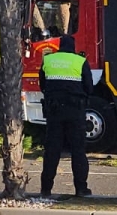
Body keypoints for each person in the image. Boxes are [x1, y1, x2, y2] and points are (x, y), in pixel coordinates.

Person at [39, 34, 93, 199]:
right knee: (78, 150)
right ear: (73, 46)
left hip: (54, 111)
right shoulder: (80, 61)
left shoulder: (48, 60)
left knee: (52, 150)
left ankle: (46, 189)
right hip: (75, 111)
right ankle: (81, 189)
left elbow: (42, 85)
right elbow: (89, 87)